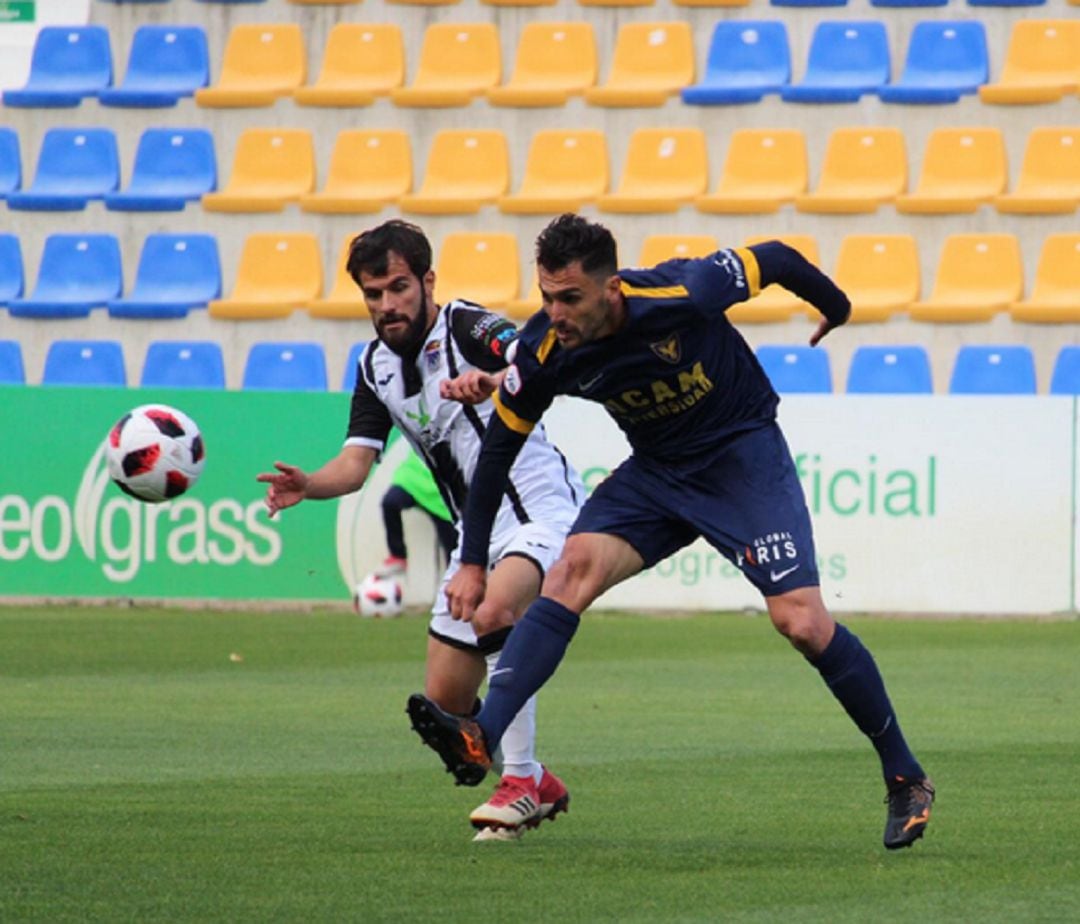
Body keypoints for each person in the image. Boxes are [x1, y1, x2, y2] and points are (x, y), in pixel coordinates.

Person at [406, 213, 935, 851]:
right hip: (657, 475)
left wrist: (836, 307)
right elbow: (496, 455)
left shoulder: (685, 292)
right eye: (547, 297)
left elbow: (774, 256)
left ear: (612, 290)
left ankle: (905, 774)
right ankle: (482, 736)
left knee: (801, 622)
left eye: (570, 298)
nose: (556, 312)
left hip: (741, 458)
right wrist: (469, 561)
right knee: (569, 570)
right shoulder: (545, 349)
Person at [256, 219, 585, 842]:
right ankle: (536, 777)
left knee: (492, 611)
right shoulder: (374, 365)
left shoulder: (468, 327)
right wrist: (310, 485)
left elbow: (537, 359)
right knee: (449, 701)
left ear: (427, 281)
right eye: (373, 294)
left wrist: (492, 382)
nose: (388, 305)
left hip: (540, 507)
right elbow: (356, 463)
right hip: (475, 533)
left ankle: (517, 783)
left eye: (399, 288)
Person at [375, 447, 458, 580]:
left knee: (454, 554)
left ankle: (454, 594)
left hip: (444, 496)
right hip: (414, 479)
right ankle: (398, 556)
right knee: (390, 502)